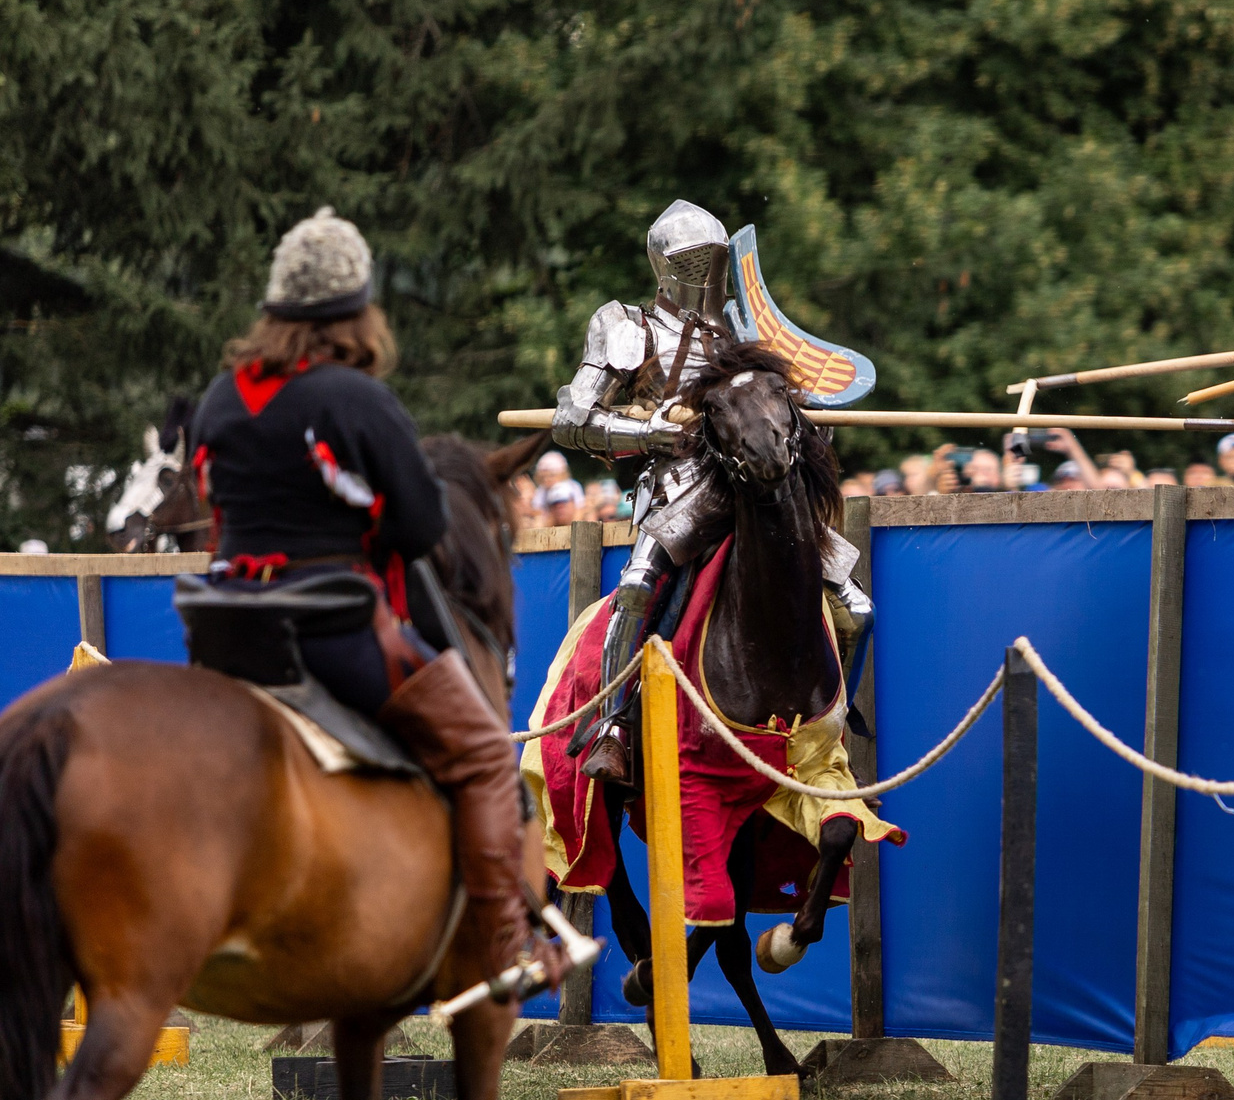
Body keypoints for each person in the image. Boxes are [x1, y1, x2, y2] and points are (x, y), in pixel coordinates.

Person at [187, 208, 563, 990]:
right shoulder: (354, 400)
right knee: (490, 756)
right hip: (331, 631)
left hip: (223, 632)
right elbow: (423, 525)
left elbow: (213, 505)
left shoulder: (220, 398)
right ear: (357, 310)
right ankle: (508, 943)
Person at [549, 200, 871, 784]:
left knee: (854, 606)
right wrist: (649, 429)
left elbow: (784, 407)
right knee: (640, 583)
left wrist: (800, 427)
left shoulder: (742, 332)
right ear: (663, 265)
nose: (705, 271)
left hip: (755, 485)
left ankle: (831, 720)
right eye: (692, 259)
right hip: (680, 487)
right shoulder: (629, 326)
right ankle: (615, 726)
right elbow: (572, 419)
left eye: (714, 258)